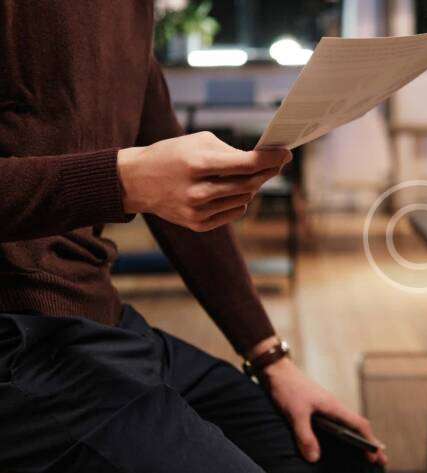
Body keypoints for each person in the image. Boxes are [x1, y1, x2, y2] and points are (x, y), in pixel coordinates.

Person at [0, 3, 385, 472]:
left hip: (101, 323)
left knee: (340, 459)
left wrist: (271, 358)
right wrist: (121, 181)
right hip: (18, 342)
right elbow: (136, 176)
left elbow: (185, 192)